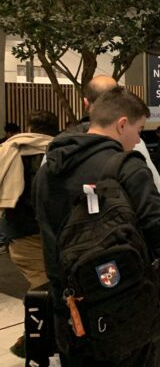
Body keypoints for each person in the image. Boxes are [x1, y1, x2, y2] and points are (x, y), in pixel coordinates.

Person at [33, 87, 160, 366]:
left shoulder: (48, 169)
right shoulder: (128, 166)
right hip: (125, 304)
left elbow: (47, 232)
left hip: (69, 306)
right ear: (121, 124)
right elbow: (156, 232)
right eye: (139, 130)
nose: (138, 138)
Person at [0, 110, 58, 358]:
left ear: (29, 126)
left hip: (20, 232)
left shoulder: (8, 150)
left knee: (43, 288)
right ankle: (35, 341)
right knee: (49, 289)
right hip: (52, 231)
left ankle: (37, 341)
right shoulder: (58, 152)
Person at [62, 75, 160, 199]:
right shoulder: (133, 148)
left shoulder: (59, 147)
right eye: (139, 130)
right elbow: (156, 192)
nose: (137, 138)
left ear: (85, 103)